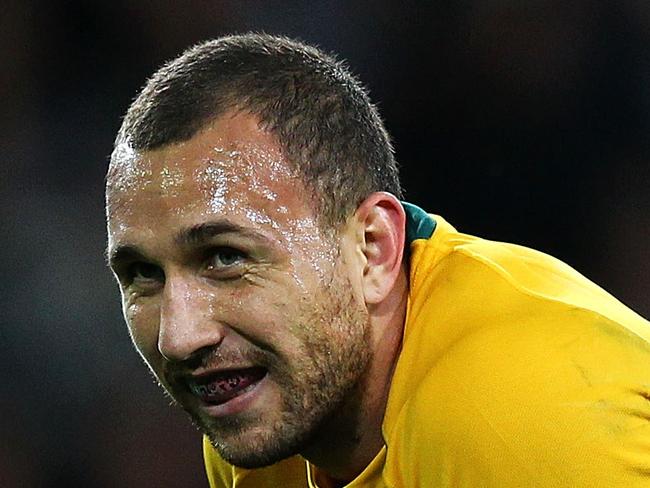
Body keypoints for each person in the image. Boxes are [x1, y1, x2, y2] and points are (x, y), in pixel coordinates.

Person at [105, 33, 650, 487]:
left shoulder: (521, 429)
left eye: (225, 257)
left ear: (373, 249)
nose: (180, 337)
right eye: (143, 274)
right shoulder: (259, 420)